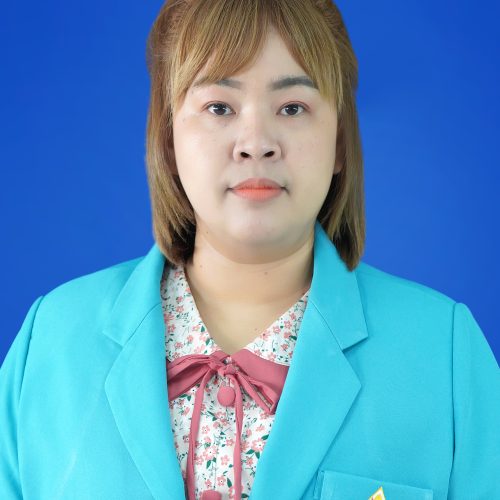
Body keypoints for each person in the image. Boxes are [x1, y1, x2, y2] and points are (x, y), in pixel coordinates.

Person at [1, 0, 499, 499]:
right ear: (169, 138)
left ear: (341, 140)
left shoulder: (446, 353)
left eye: (292, 108)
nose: (256, 143)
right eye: (219, 107)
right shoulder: (50, 342)